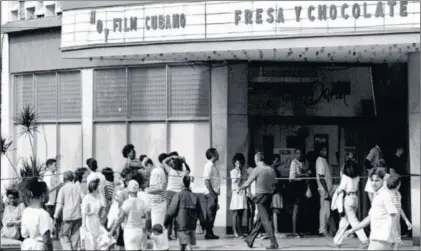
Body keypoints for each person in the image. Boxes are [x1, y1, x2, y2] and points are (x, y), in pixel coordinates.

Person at [344, 167, 399, 250]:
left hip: (381, 240)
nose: (374, 183)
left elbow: (394, 215)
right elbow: (369, 218)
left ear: (383, 180)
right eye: (372, 180)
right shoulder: (377, 196)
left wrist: (396, 239)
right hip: (377, 240)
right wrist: (352, 230)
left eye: (377, 180)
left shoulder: (384, 195)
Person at [239, 152, 278, 249]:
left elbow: (248, 183)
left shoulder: (257, 169)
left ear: (256, 160)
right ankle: (250, 239)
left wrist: (240, 188)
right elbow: (275, 183)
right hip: (269, 195)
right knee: (260, 219)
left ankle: (274, 242)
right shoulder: (271, 169)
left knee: (265, 220)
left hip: (260, 196)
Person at [333, 160, 369, 248]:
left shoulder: (345, 177)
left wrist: (336, 193)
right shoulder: (357, 177)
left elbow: (341, 188)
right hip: (355, 198)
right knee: (345, 221)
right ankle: (337, 240)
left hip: (348, 199)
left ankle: (364, 240)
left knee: (353, 221)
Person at [165, 176, 205, 251]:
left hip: (181, 225)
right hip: (192, 225)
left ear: (182, 183)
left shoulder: (178, 195)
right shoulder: (194, 196)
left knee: (186, 244)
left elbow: (171, 211)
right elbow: (200, 213)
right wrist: (203, 225)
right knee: (182, 244)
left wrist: (166, 222)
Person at [109, 180, 149, 251]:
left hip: (129, 230)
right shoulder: (142, 203)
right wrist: (145, 228)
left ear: (128, 190)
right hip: (139, 231)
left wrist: (112, 230)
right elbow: (148, 218)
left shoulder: (126, 203)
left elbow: (121, 218)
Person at [81, 173, 114, 250]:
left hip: (97, 220)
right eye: (97, 189)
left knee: (105, 238)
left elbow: (104, 205)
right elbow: (84, 212)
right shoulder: (87, 198)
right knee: (92, 242)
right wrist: (84, 224)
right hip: (89, 221)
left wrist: (102, 193)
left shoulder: (98, 197)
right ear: (94, 189)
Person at [20, 178, 53, 251]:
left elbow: (24, 233)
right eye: (48, 193)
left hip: (27, 246)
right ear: (43, 195)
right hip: (39, 247)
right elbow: (47, 240)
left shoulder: (26, 211)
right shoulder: (43, 214)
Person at [54, 171, 84, 250]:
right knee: (75, 237)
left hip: (67, 216)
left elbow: (59, 204)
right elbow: (83, 199)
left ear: (64, 179)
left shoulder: (63, 189)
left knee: (63, 235)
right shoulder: (78, 187)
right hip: (78, 215)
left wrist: (55, 216)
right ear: (72, 178)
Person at [164, 154, 191, 240]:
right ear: (181, 164)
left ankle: (168, 234)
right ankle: (177, 234)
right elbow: (189, 170)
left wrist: (172, 156)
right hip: (179, 194)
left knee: (169, 214)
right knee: (178, 215)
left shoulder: (171, 171)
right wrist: (184, 161)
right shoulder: (184, 173)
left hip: (169, 193)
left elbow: (164, 162)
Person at [386, 173, 412, 248]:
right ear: (398, 184)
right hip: (390, 224)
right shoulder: (387, 195)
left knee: (396, 246)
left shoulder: (398, 194)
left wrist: (406, 221)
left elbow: (399, 208)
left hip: (397, 224)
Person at [288, 148, 309, 238]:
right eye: (297, 153)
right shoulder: (294, 162)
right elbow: (293, 175)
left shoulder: (303, 162)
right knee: (296, 209)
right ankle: (294, 231)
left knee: (300, 209)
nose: (299, 155)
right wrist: (305, 175)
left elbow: (306, 170)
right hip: (295, 186)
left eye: (300, 153)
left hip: (301, 186)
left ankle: (299, 230)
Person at [203, 148, 221, 240]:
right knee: (210, 214)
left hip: (214, 193)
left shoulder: (213, 166)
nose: (218, 154)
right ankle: (208, 232)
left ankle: (210, 232)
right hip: (211, 194)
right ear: (213, 154)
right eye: (216, 153)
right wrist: (212, 193)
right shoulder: (208, 166)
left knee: (213, 213)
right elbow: (206, 181)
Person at [315, 146, 334, 237]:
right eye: (323, 150)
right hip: (323, 189)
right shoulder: (320, 160)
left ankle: (329, 229)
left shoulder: (324, 160)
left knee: (327, 210)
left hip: (327, 189)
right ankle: (322, 230)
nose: (325, 151)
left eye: (326, 150)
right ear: (319, 151)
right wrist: (326, 190)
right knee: (324, 210)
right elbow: (321, 176)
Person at [229, 153, 248, 238]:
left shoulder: (244, 171)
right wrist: (239, 175)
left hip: (242, 193)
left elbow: (245, 182)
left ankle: (240, 231)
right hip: (236, 193)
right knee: (235, 212)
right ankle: (234, 231)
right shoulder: (233, 172)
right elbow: (237, 182)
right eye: (236, 163)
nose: (238, 165)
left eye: (240, 163)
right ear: (234, 163)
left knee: (241, 212)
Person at [86, 158, 108, 225]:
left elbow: (89, 192)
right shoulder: (102, 176)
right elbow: (106, 190)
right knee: (101, 226)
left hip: (94, 204)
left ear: (88, 167)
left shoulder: (89, 177)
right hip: (103, 202)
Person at [271, 154, 283, 236]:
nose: (278, 162)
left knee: (276, 211)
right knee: (275, 211)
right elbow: (274, 181)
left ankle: (275, 230)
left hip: (277, 191)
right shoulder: (272, 169)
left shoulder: (276, 170)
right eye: (277, 160)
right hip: (274, 192)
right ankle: (275, 230)